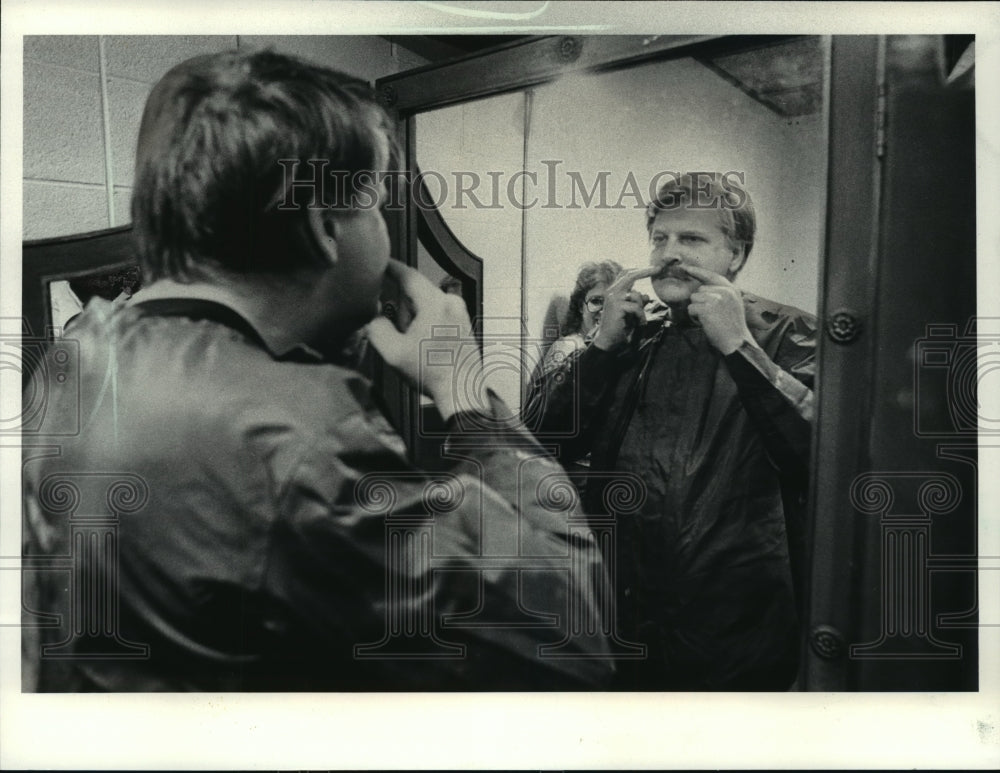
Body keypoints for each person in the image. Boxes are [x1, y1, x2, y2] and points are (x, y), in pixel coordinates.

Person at [21, 50, 614, 691]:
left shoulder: (78, 355)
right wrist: (463, 392)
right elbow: (568, 644)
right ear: (324, 224)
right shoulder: (305, 437)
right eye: (377, 204)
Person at [527, 172, 816, 690]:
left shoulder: (789, 333)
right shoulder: (634, 336)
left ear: (737, 254)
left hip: (734, 624)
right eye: (660, 238)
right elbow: (546, 445)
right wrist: (600, 351)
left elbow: (816, 457)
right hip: (623, 609)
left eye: (692, 239)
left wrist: (739, 346)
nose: (668, 254)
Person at [537, 260, 622, 378]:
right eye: (596, 301)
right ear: (580, 306)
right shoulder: (567, 348)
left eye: (613, 302)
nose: (605, 311)